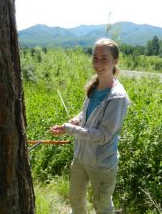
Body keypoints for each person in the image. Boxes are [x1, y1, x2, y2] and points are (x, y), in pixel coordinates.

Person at [51, 38, 130, 214]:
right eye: (95, 58)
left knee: (102, 206)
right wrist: (76, 120)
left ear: (115, 61)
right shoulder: (94, 86)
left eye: (104, 59)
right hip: (80, 157)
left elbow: (102, 135)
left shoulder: (117, 97)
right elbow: (86, 115)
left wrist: (70, 129)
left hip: (102, 163)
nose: (98, 63)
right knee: (75, 200)